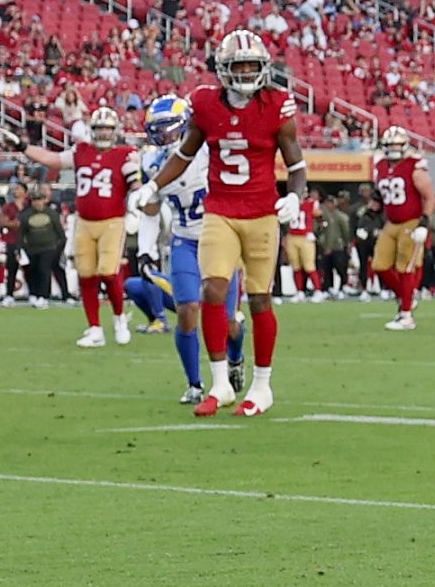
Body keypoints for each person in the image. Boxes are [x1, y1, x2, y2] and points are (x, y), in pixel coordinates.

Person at [142, 30, 303, 418]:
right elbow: (185, 152)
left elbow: (296, 163)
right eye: (239, 66)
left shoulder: (277, 105)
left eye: (252, 66)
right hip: (220, 210)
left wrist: (296, 195)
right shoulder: (205, 104)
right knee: (212, 290)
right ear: (223, 69)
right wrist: (153, 185)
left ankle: (261, 387)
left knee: (260, 297)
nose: (246, 73)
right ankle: (220, 385)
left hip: (262, 212)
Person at [138, 95, 247, 405]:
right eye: (158, 130)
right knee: (187, 311)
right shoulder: (151, 161)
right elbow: (150, 210)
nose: (164, 136)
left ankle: (236, 358)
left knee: (227, 323)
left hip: (220, 238)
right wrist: (145, 250)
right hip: (185, 239)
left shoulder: (208, 150)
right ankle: (194, 384)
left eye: (170, 129)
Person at [18, 104, 139, 348]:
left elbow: (135, 184)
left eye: (107, 128)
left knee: (108, 272)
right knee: (86, 275)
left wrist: (136, 202)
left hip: (112, 222)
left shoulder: (125, 154)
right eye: (100, 128)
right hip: (84, 222)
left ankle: (119, 319)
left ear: (114, 130)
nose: (103, 133)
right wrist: (23, 147)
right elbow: (51, 159)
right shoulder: (81, 151)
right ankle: (95, 329)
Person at [368, 126, 435, 329]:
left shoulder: (414, 166)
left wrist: (424, 222)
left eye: (397, 145)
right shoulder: (380, 166)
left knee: (405, 268)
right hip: (391, 222)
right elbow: (380, 195)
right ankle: (406, 297)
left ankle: (406, 316)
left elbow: (430, 197)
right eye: (390, 145)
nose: (393, 149)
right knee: (379, 265)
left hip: (411, 222)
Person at [281, 187, 321, 299]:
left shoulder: (312, 204)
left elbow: (320, 219)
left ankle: (318, 291)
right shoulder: (289, 204)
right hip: (292, 236)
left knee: (309, 266)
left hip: (305, 237)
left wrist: (314, 232)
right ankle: (299, 291)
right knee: (295, 266)